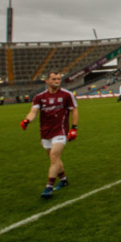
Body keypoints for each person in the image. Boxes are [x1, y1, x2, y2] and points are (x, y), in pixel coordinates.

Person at [21, 71, 78, 199]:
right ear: (47, 81)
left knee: (54, 156)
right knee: (55, 159)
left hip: (60, 131)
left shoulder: (67, 95)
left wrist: (74, 128)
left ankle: (49, 187)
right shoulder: (39, 97)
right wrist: (26, 120)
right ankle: (63, 179)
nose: (57, 81)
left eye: (58, 79)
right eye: (53, 79)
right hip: (45, 132)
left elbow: (74, 110)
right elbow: (33, 112)